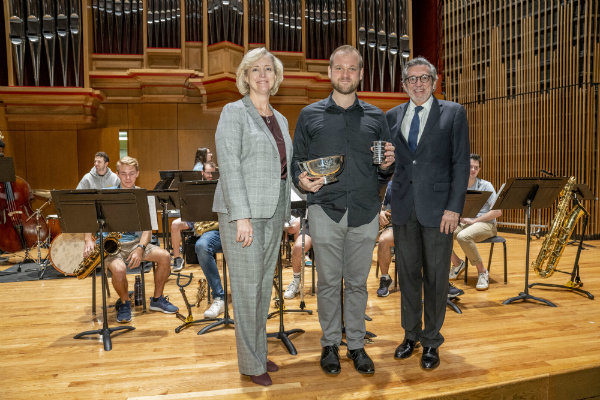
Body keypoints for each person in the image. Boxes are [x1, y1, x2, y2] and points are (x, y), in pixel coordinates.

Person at [292, 45, 395, 376]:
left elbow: (384, 169)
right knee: (327, 283)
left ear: (361, 74)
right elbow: (296, 163)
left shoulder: (377, 117)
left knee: (357, 283)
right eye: (339, 68)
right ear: (330, 73)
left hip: (365, 210)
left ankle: (356, 345)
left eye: (352, 69)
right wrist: (302, 181)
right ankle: (329, 344)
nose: (346, 74)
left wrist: (388, 166)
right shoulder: (309, 115)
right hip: (325, 209)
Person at [212, 48, 291, 387]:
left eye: (268, 70)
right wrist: (241, 216)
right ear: (245, 77)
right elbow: (229, 165)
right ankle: (249, 363)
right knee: (246, 290)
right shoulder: (234, 112)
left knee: (262, 288)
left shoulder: (281, 118)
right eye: (255, 69)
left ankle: (258, 351)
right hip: (242, 215)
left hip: (273, 212)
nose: (262, 75)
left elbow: (284, 168)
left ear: (276, 77)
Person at [386, 57, 470, 370]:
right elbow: (391, 165)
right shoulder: (392, 115)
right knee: (407, 276)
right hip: (404, 209)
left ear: (434, 82)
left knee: (436, 279)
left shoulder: (453, 112)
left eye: (424, 78)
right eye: (412, 79)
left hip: (439, 212)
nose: (418, 84)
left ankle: (432, 340)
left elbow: (460, 164)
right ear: (404, 84)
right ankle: (411, 335)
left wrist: (454, 208)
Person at [82, 156, 178, 324]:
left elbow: (147, 230)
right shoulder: (106, 194)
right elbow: (89, 219)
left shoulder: (143, 196)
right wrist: (88, 240)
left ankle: (157, 299)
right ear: (118, 174)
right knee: (118, 270)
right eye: (124, 174)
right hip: (109, 245)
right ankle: (125, 303)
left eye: (131, 174)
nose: (128, 178)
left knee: (165, 256)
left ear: (137, 174)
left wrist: (140, 248)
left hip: (134, 242)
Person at [449, 154, 502, 290]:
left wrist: (475, 220)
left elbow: (497, 212)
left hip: (487, 224)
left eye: (476, 168)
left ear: (479, 170)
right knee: (442, 233)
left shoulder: (486, 185)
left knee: (463, 236)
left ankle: (482, 271)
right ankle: (457, 263)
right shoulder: (458, 186)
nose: (473, 170)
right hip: (466, 222)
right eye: (470, 167)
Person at [171, 161, 216, 272]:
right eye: (208, 173)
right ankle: (177, 259)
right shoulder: (193, 186)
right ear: (202, 172)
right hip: (195, 219)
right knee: (175, 224)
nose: (210, 176)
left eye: (212, 173)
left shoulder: (218, 186)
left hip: (212, 220)